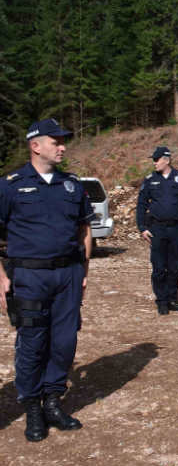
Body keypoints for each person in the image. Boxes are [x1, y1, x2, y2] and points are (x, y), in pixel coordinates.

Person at [0, 118, 93, 442]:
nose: (63, 147)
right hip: (30, 275)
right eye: (56, 141)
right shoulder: (10, 185)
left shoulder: (71, 185)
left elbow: (85, 230)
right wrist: (1, 277)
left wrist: (84, 272)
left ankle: (53, 401)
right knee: (33, 344)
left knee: (64, 341)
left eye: (63, 141)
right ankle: (33, 409)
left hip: (68, 274)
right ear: (35, 145)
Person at [136, 146, 178, 315]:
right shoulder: (149, 180)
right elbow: (141, 205)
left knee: (175, 266)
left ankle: (171, 298)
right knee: (159, 266)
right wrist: (142, 228)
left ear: (167, 160)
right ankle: (161, 300)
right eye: (153, 160)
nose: (154, 163)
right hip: (157, 229)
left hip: (177, 228)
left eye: (156, 159)